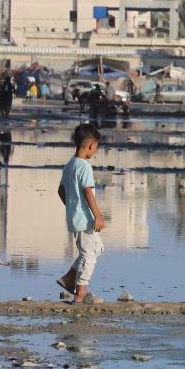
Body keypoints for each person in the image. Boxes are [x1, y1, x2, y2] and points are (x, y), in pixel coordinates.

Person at [56, 123, 107, 304]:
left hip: (76, 217)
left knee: (95, 249)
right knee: (88, 254)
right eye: (97, 147)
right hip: (85, 219)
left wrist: (71, 206)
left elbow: (60, 191)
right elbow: (87, 192)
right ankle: (81, 293)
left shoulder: (70, 164)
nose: (95, 151)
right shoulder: (84, 166)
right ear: (91, 145)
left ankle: (70, 278)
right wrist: (98, 216)